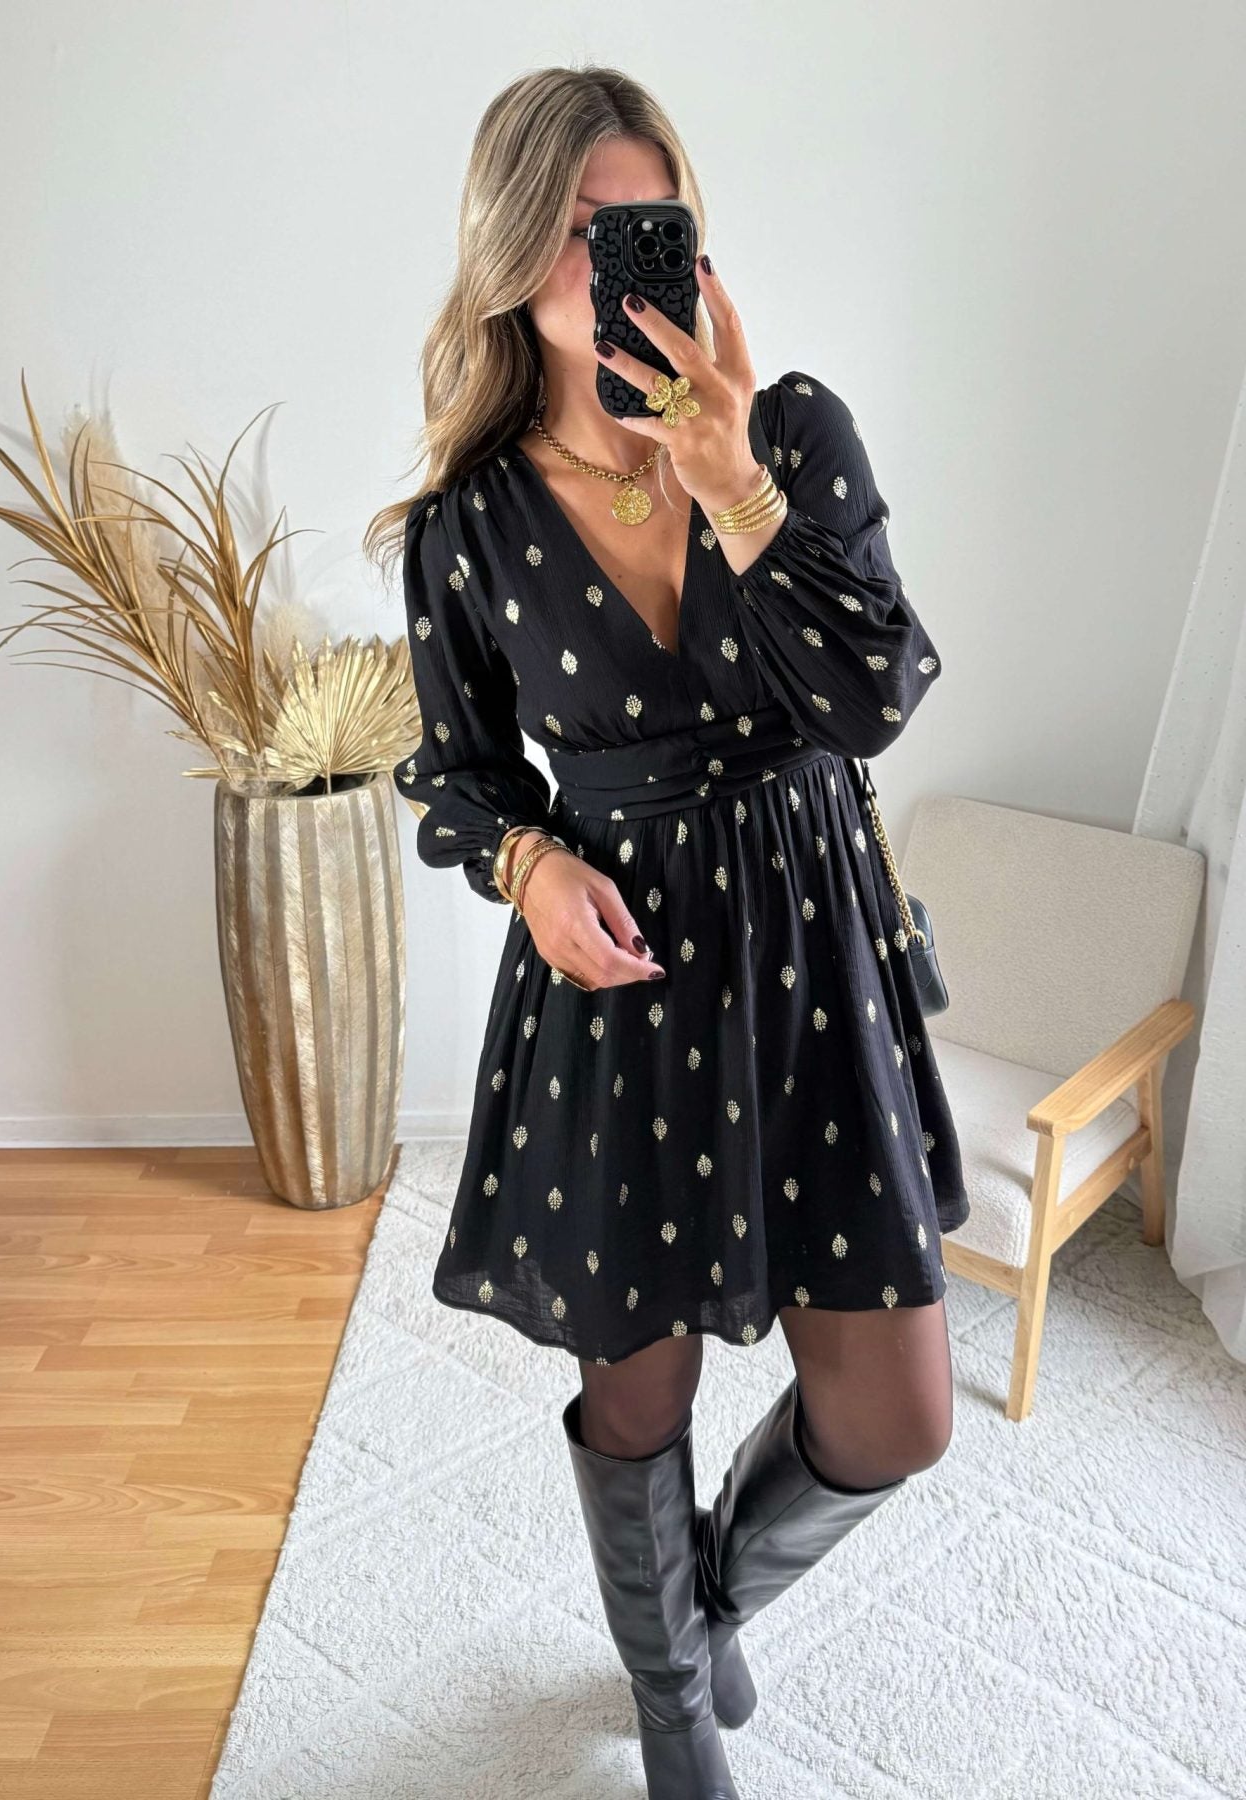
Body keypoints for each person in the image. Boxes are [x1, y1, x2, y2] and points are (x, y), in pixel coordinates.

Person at [367, 64, 970, 1800]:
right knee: (636, 1394)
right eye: (576, 224)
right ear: (508, 249)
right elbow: (459, 775)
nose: (613, 257)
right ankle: (666, 1696)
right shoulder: (465, 525)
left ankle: (691, 1620)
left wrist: (733, 485)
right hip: (620, 979)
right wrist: (528, 872)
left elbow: (873, 697)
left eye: (645, 222)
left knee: (896, 1415)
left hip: (811, 950)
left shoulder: (789, 431)